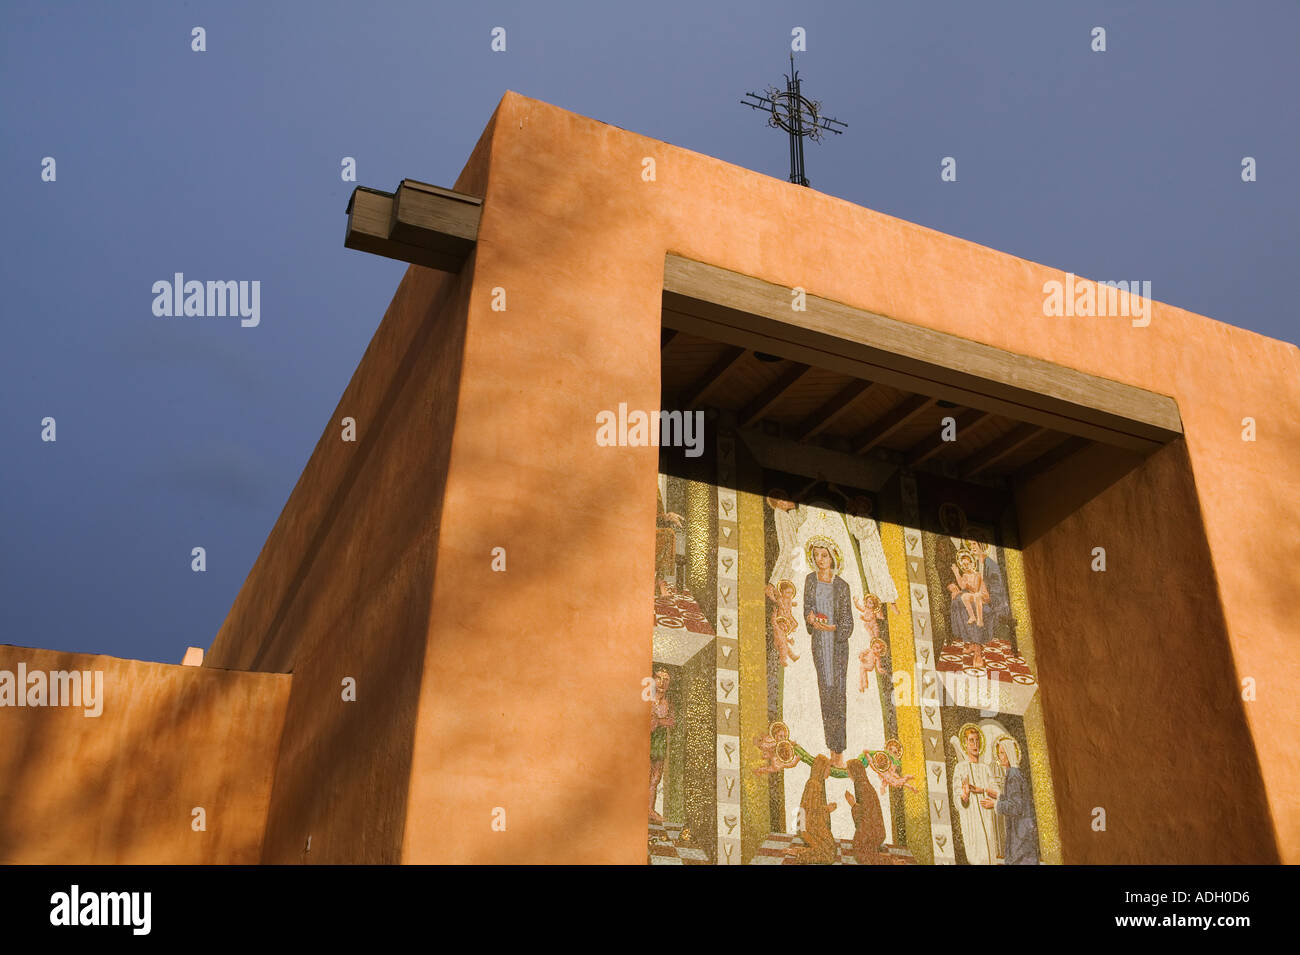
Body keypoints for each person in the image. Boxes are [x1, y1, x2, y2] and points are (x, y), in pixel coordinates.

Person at [803, 536, 854, 768]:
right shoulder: (810, 581)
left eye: (824, 555)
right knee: (826, 693)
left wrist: (832, 628)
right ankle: (830, 747)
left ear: (832, 556)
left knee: (838, 694)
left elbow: (847, 622)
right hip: (820, 645)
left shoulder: (842, 585)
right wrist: (811, 618)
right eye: (816, 556)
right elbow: (807, 608)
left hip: (837, 646)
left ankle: (839, 752)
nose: (820, 560)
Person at [950, 724, 1000, 865]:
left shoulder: (985, 769)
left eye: (977, 740)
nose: (975, 744)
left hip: (986, 818)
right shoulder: (960, 768)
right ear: (965, 744)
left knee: (990, 856)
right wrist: (964, 795)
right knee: (976, 858)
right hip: (971, 821)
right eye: (971, 740)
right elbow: (957, 794)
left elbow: (997, 791)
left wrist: (984, 791)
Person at [986, 737, 1039, 864]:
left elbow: (1016, 807)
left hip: (1020, 834)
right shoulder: (1014, 773)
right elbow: (1014, 799)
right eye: (999, 753)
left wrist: (995, 804)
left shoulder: (1013, 775)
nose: (1000, 756)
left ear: (1009, 753)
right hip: (1023, 832)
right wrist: (999, 796)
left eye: (1003, 753)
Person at [649, 667, 676, 823]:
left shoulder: (668, 702)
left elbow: (671, 721)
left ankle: (650, 810)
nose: (662, 682)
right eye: (659, 678)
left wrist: (658, 722)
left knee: (655, 777)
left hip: (659, 741)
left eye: (666, 680)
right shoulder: (647, 698)